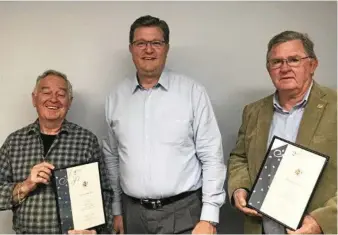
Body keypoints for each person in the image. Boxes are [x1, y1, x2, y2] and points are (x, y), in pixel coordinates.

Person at [102, 15, 226, 234]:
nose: (148, 50)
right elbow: (112, 158)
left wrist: (209, 216)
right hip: (134, 216)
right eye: (141, 43)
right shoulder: (115, 98)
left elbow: (211, 156)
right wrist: (117, 210)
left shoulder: (192, 93)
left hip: (185, 213)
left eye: (156, 43)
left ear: (166, 48)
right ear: (131, 48)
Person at [227, 30, 337, 234]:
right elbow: (240, 158)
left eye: (294, 60)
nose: (284, 68)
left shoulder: (335, 107)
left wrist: (322, 221)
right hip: (261, 228)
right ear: (268, 69)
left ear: (312, 65)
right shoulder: (253, 112)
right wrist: (239, 188)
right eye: (276, 62)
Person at [0, 69, 113, 234]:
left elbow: (105, 193)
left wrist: (97, 231)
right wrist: (26, 185)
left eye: (61, 94)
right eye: (46, 92)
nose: (53, 99)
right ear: (34, 98)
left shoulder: (86, 141)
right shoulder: (14, 142)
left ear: (70, 101)